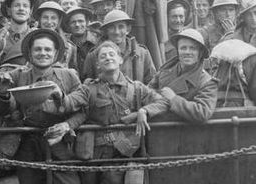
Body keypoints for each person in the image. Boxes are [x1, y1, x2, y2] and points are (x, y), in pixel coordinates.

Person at [52, 40, 169, 184]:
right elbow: (70, 102)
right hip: (92, 156)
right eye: (103, 56)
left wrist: (144, 110)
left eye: (111, 54)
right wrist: (59, 96)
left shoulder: (137, 89)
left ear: (120, 60)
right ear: (97, 65)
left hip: (121, 155)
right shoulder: (89, 88)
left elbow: (164, 102)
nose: (108, 58)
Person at [0, 29, 84, 184]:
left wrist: (67, 125)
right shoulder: (18, 75)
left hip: (60, 143)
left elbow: (83, 111)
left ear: (55, 54)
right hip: (28, 143)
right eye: (38, 49)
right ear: (30, 53)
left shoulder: (69, 76)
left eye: (48, 49)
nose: (43, 53)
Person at [149, 29, 217, 123]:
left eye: (192, 48)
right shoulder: (164, 71)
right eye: (183, 48)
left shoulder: (206, 82)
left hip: (187, 133)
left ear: (200, 53)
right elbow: (149, 91)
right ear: (177, 51)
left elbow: (202, 112)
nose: (187, 52)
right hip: (159, 129)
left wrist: (173, 99)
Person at [82, 10, 157, 84]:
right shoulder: (93, 55)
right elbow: (87, 85)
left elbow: (152, 83)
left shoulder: (141, 53)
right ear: (106, 31)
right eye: (112, 27)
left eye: (121, 27)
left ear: (128, 29)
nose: (116, 32)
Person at [62, 7, 99, 79]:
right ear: (68, 25)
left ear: (87, 22)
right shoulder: (65, 44)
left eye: (81, 21)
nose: (77, 25)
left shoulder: (97, 41)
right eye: (73, 22)